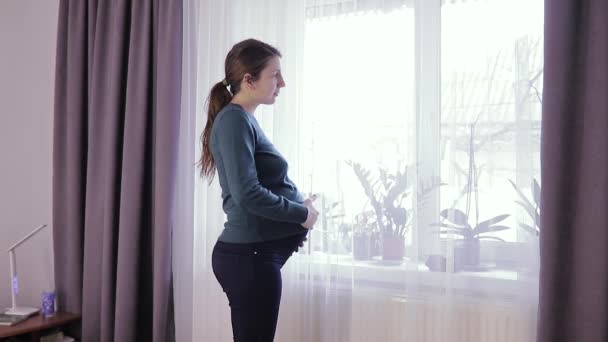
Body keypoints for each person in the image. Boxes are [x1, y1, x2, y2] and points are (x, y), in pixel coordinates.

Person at [198, 38, 320, 342]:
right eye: (274, 74)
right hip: (249, 257)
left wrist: (295, 208)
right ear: (249, 80)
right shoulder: (234, 122)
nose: (283, 82)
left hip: (253, 255)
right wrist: (301, 214)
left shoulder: (242, 120)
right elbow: (248, 194)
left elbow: (258, 186)